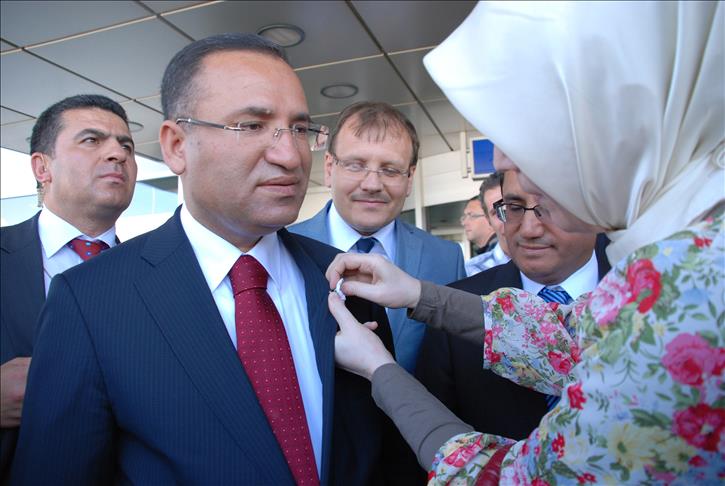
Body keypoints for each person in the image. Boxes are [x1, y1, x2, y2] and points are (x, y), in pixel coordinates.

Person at [326, 1, 724, 484]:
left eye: (530, 132)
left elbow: (516, 477)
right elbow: (569, 338)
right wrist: (417, 294)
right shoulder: (690, 248)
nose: (504, 161)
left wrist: (380, 370)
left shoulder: (689, 287)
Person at [10, 34, 394, 485]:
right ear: (176, 145)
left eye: (299, 129)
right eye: (251, 126)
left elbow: (382, 456)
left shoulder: (346, 279)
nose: (290, 155)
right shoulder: (91, 300)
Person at [0, 94, 137, 481]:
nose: (118, 153)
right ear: (42, 167)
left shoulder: (161, 277)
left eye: (126, 145)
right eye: (92, 140)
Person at [417, 169, 611, 440]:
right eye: (515, 208)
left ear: (596, 210)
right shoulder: (454, 312)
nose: (529, 229)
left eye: (551, 207)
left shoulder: (650, 296)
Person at [289, 101, 465, 374]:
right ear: (329, 168)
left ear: (410, 178)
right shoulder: (284, 247)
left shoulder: (445, 259)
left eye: (390, 170)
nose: (372, 184)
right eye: (355, 165)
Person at [464, 172, 510, 276]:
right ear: (488, 220)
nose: (506, 218)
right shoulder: (471, 272)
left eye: (514, 207)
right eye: (496, 212)